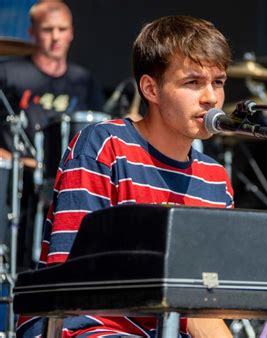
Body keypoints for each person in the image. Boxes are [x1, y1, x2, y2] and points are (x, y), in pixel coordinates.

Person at [16, 15, 234, 337]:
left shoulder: (215, 178)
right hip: (83, 324)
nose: (211, 98)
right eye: (192, 82)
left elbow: (210, 301)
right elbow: (71, 276)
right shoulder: (104, 147)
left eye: (218, 82)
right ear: (151, 88)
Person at [0, 1, 104, 269]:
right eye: (48, 29)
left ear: (71, 33)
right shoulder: (9, 74)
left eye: (62, 29)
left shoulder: (84, 80)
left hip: (69, 183)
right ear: (32, 32)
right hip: (18, 182)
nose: (56, 37)